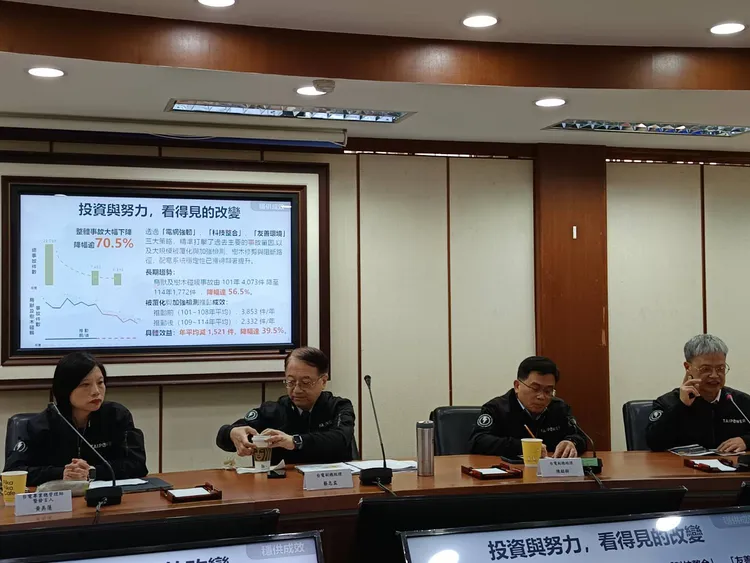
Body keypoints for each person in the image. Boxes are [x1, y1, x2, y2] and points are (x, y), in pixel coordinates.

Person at [3, 351, 148, 486]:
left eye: (100, 383)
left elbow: (137, 464)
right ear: (65, 389)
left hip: (105, 497)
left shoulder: (116, 416)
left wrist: (92, 472)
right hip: (59, 500)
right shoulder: (40, 425)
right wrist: (62, 473)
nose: (96, 392)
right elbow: (12, 471)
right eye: (85, 385)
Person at [216, 346, 356, 464]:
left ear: (323, 381)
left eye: (305, 383)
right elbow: (224, 436)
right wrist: (232, 433)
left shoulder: (339, 407)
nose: (297, 390)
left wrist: (295, 441)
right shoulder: (272, 411)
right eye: (291, 382)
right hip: (281, 486)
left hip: (332, 484)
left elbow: (341, 439)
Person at [646, 334, 750, 453]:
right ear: (688, 367)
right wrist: (681, 406)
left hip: (730, 464)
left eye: (720, 368)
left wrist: (746, 441)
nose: (714, 375)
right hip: (683, 464)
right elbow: (654, 443)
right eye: (706, 369)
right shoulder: (668, 402)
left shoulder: (740, 402)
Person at [469, 356, 587, 459]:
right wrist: (523, 447)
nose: (541, 397)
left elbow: (580, 436)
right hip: (512, 471)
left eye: (548, 391)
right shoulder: (496, 408)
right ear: (517, 386)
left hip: (550, 473)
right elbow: (478, 441)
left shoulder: (559, 408)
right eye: (535, 389)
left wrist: (571, 442)